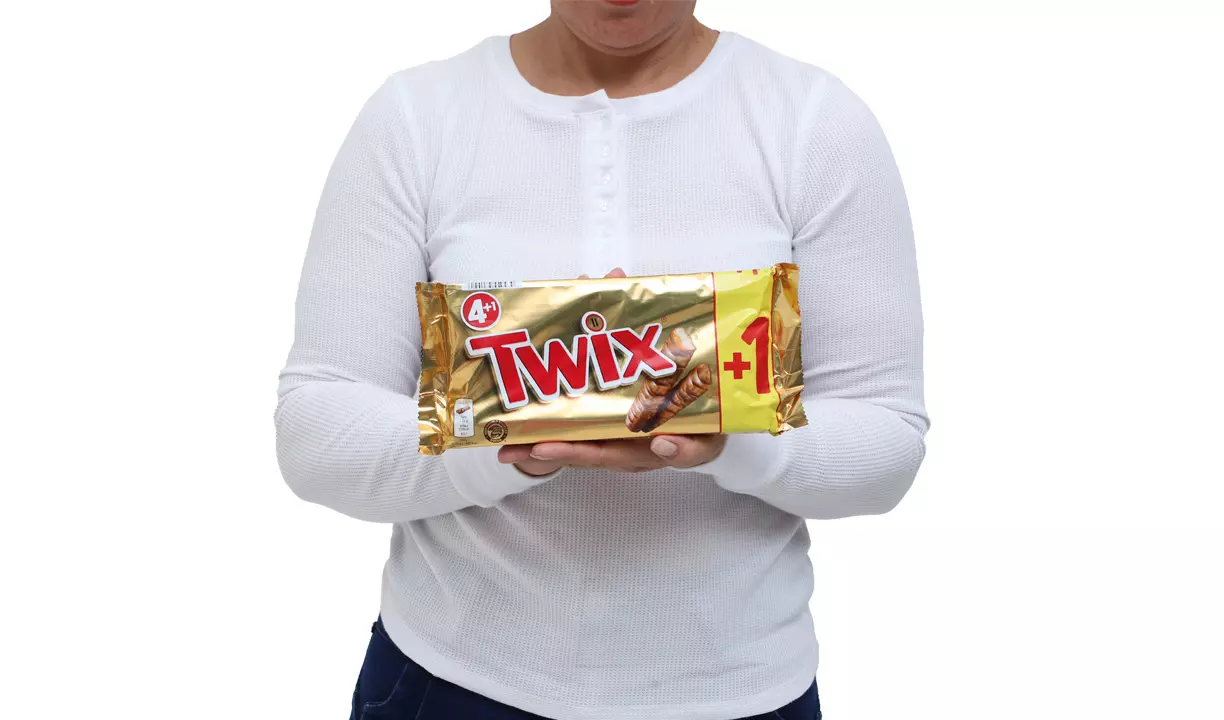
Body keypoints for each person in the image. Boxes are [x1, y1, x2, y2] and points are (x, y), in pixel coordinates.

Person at [275, 1, 928, 718]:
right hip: (450, 677)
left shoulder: (815, 121)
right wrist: (510, 432)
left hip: (741, 692)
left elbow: (887, 441)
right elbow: (315, 430)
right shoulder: (417, 117)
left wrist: (728, 439)